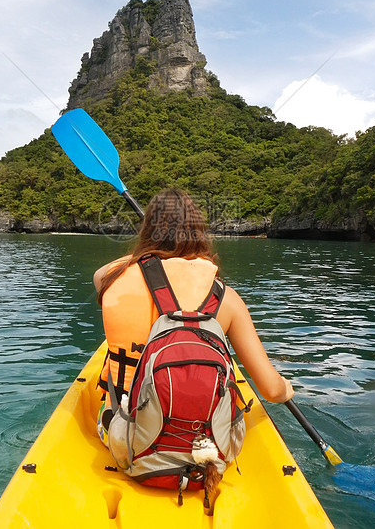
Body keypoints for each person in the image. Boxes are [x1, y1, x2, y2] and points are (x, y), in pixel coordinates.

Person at [93, 188, 294, 443]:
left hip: (125, 434)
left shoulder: (111, 280)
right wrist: (285, 389)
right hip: (199, 442)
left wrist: (147, 252)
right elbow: (272, 390)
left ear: (146, 233)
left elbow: (101, 274)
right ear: (199, 233)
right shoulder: (225, 298)